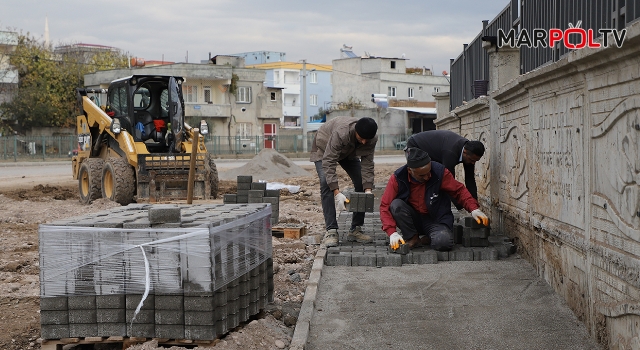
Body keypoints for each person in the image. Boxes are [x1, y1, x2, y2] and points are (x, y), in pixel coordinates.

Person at [380, 147, 489, 251]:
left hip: (435, 219)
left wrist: (474, 209)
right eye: (422, 175)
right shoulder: (398, 177)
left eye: (429, 173)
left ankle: (431, 236)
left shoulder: (440, 172)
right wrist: (392, 232)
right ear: (410, 171)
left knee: (443, 243)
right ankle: (412, 237)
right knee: (396, 205)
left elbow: (459, 191)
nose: (427, 177)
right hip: (413, 220)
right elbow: (385, 205)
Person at [310, 116, 378, 247]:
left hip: (348, 152)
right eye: (361, 138)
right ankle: (331, 230)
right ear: (355, 132)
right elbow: (329, 162)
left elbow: (368, 164)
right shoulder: (341, 133)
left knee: (361, 182)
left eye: (367, 140)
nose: (364, 142)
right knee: (326, 183)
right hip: (324, 148)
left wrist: (368, 190)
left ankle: (355, 229)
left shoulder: (370, 139)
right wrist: (337, 192)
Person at [406, 130, 485, 201]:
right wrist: (461, 206)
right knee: (423, 176)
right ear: (465, 151)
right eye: (471, 160)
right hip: (416, 144)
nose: (473, 163)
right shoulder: (451, 153)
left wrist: (474, 205)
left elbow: (470, 179)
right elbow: (449, 182)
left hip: (437, 150)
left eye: (475, 161)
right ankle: (416, 202)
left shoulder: (470, 152)